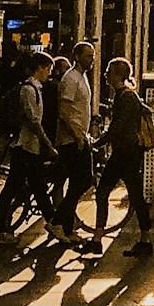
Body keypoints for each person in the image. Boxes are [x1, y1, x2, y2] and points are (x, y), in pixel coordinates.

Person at [0, 48, 61, 244]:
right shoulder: (29, 90)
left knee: (33, 187)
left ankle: (51, 222)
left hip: (30, 147)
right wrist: (47, 144)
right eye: (48, 69)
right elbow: (33, 121)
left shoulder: (35, 89)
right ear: (40, 68)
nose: (49, 74)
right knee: (18, 187)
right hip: (25, 146)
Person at [94, 58, 154, 254]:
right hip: (128, 152)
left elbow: (117, 128)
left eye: (109, 71)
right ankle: (144, 239)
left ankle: (98, 238)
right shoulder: (126, 96)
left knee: (105, 192)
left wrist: (97, 143)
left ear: (117, 75)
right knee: (134, 195)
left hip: (125, 153)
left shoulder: (126, 97)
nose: (105, 75)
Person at [52, 43, 101, 244]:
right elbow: (64, 110)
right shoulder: (71, 79)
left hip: (80, 136)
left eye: (93, 56)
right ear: (77, 56)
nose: (92, 60)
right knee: (82, 180)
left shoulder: (82, 78)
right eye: (88, 56)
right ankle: (58, 221)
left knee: (78, 182)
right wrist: (77, 135)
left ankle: (66, 224)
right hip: (71, 139)